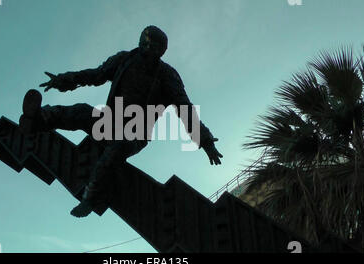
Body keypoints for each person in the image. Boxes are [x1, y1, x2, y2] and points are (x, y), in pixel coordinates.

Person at [19, 25, 223, 217]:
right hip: (109, 123)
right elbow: (95, 75)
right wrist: (63, 80)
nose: (147, 49)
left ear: (161, 51)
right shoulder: (125, 59)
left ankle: (90, 198)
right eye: (145, 43)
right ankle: (38, 119)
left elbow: (184, 107)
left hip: (135, 134)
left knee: (116, 149)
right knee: (81, 111)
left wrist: (204, 140)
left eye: (153, 47)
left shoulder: (167, 75)